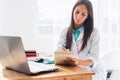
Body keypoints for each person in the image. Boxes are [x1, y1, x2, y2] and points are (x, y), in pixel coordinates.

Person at [56, 0, 107, 80]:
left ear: (87, 17)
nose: (78, 16)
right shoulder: (65, 31)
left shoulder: (94, 32)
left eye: (83, 14)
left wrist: (79, 62)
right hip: (73, 69)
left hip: (93, 71)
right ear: (73, 11)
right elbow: (59, 47)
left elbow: (94, 58)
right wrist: (61, 50)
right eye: (77, 12)